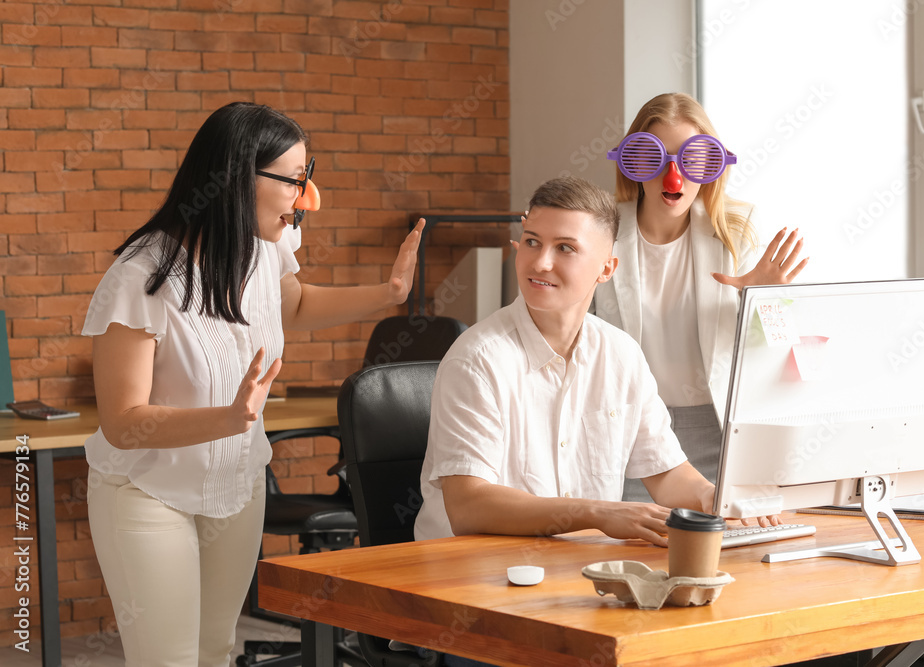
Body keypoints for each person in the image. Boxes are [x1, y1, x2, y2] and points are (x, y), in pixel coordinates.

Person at [81, 102, 424, 666]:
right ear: (239, 179)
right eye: (295, 179)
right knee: (167, 658)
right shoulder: (141, 277)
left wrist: (388, 292)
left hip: (235, 488)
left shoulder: (265, 249)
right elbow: (122, 423)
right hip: (147, 493)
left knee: (216, 649)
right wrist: (226, 418)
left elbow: (296, 304)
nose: (306, 196)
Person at [413, 175, 724, 548]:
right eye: (532, 242)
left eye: (565, 248)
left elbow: (668, 475)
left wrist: (716, 499)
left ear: (606, 269)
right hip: (470, 578)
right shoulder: (477, 360)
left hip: (576, 571)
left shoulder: (621, 355)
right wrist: (597, 514)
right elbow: (467, 506)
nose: (541, 263)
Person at [594, 93, 808, 496]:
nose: (673, 175)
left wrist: (761, 302)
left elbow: (777, 351)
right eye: (654, 156)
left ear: (710, 165)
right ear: (633, 161)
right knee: (639, 549)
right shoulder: (599, 230)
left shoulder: (735, 231)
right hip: (629, 431)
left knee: (727, 549)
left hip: (717, 430)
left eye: (691, 159)